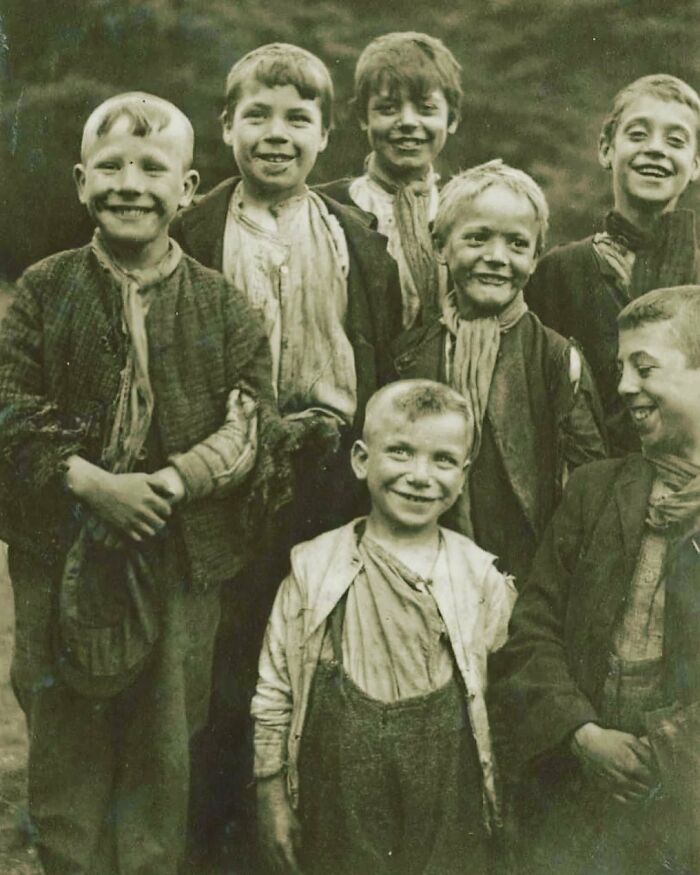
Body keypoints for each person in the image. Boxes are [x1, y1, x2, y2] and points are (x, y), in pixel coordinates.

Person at [0, 92, 276, 875]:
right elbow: (10, 405)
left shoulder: (224, 305)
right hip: (60, 550)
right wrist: (90, 482)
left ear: (186, 189)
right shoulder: (45, 288)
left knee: (165, 735)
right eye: (111, 167)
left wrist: (173, 482)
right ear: (81, 181)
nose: (130, 184)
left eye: (153, 168)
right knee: (65, 730)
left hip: (178, 550)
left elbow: (253, 420)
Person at [170, 43, 403, 854]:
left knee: (316, 650)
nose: (277, 133)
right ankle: (215, 841)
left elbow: (382, 351)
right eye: (258, 116)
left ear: (326, 136)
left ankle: (310, 838)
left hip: (330, 475)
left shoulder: (354, 236)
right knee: (225, 661)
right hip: (228, 477)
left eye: (298, 119)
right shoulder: (192, 231)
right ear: (226, 127)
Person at [252, 379, 517, 875]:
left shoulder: (478, 577)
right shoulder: (314, 569)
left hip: (446, 793)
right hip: (340, 794)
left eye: (442, 460)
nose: (420, 476)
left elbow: (503, 696)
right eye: (400, 451)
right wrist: (270, 791)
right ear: (360, 459)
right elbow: (275, 689)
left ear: (463, 475)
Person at [489, 284, 700, 874]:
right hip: (579, 801)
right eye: (620, 368)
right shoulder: (594, 490)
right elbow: (532, 628)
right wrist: (581, 734)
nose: (624, 386)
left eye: (645, 368)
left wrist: (662, 750)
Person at [393, 160, 606, 581]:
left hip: (524, 576)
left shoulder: (557, 361)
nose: (495, 257)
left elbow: (585, 494)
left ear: (535, 258)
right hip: (422, 571)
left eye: (517, 244)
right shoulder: (408, 356)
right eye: (476, 238)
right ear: (440, 246)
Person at [526, 74, 700, 454]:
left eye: (675, 141)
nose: (655, 149)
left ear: (696, 164)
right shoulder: (558, 272)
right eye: (638, 135)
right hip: (586, 479)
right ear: (606, 149)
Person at [318, 31, 462, 328]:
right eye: (388, 109)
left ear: (452, 118)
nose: (408, 122)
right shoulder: (325, 208)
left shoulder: (464, 214)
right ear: (363, 117)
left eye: (426, 109)